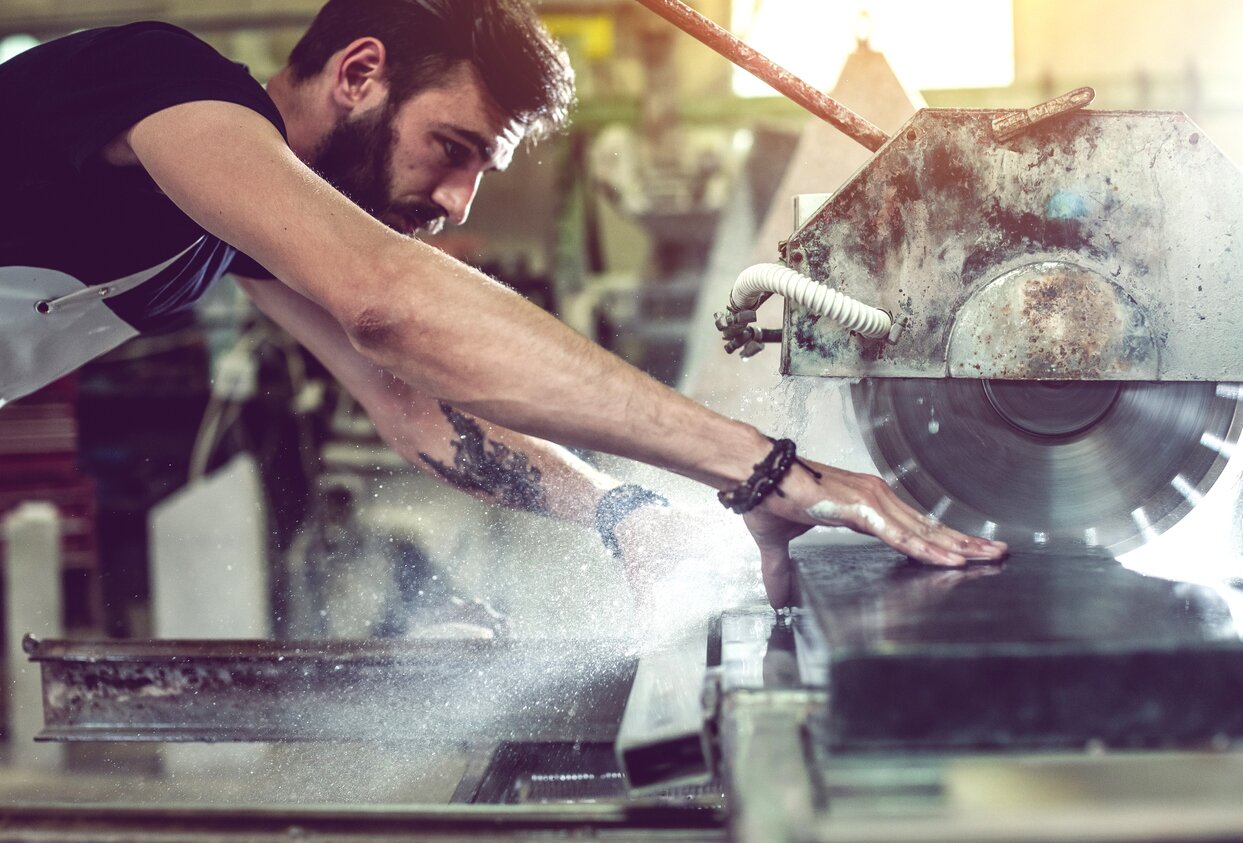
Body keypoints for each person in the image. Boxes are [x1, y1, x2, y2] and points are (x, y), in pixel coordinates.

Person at [0, 0, 1006, 610]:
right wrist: (759, 465)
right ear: (359, 74)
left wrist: (625, 512)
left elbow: (412, 404)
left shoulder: (230, 220)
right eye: (455, 148)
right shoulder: (166, 81)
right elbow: (386, 304)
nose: (453, 203)